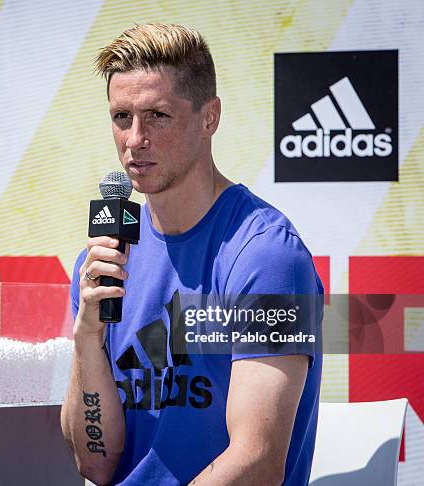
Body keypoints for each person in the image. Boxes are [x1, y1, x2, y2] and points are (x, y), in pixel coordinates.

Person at [60, 23, 323, 486]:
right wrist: (87, 335)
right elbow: (95, 463)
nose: (135, 139)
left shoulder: (267, 256)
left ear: (210, 118)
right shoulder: (103, 261)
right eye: (122, 117)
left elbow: (258, 463)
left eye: (157, 115)